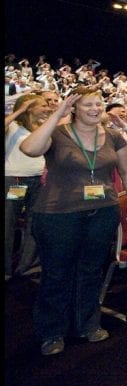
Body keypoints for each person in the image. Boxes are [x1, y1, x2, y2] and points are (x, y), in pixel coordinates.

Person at [20, 86, 127, 356]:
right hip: (58, 213)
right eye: (88, 104)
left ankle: (87, 324)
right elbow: (29, 148)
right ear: (74, 107)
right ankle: (51, 332)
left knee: (91, 271)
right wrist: (58, 114)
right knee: (57, 273)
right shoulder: (58, 132)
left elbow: (125, 170)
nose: (95, 109)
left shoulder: (112, 136)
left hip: (103, 211)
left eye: (98, 104)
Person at [5, 93, 50, 280]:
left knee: (34, 223)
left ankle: (26, 267)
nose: (47, 108)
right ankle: (6, 269)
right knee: (8, 222)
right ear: (30, 106)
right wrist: (20, 110)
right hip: (16, 181)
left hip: (38, 181)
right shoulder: (14, 126)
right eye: (43, 105)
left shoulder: (41, 127)